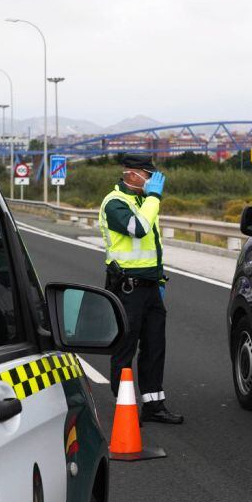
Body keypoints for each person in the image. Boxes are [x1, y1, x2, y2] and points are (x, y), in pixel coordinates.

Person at [98, 152, 183, 424]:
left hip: (150, 286)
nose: (151, 180)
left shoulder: (142, 200)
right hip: (127, 288)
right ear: (132, 174)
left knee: (155, 347)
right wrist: (154, 198)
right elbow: (139, 229)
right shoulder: (115, 203)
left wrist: (159, 280)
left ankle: (154, 405)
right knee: (125, 349)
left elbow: (153, 248)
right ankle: (125, 406)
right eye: (148, 175)